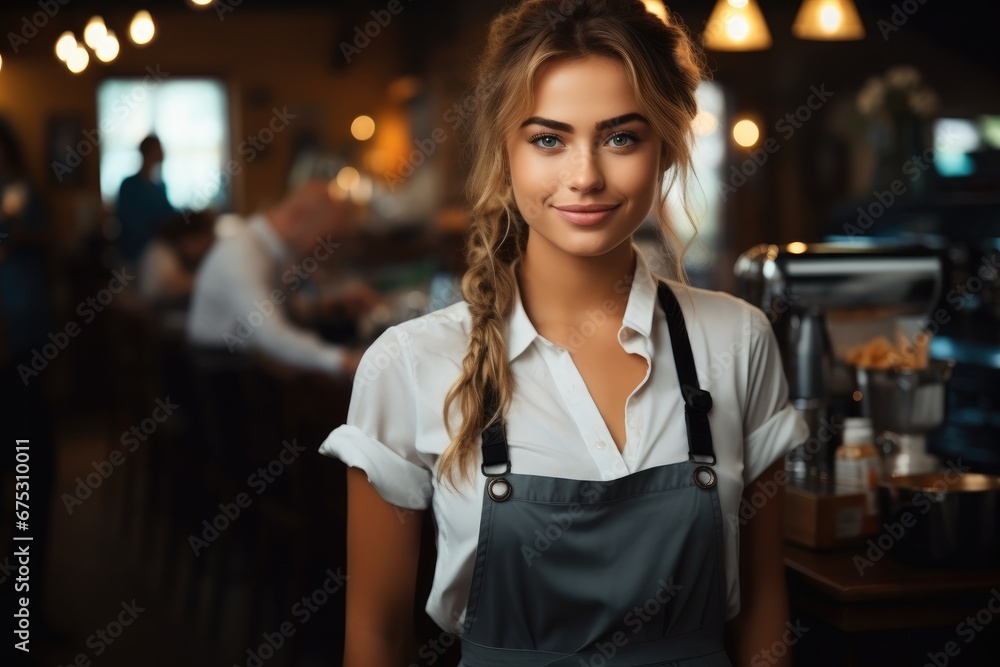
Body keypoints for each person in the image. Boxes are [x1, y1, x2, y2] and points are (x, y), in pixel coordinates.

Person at [320, 2, 809, 666]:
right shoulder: (408, 364)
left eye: (621, 137)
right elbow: (376, 639)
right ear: (504, 150)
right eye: (548, 139)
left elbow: (762, 615)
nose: (585, 176)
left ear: (665, 146)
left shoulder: (739, 341)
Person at [186, 181, 374, 375]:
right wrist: (350, 361)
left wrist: (333, 305)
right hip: (225, 374)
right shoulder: (241, 254)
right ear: (297, 218)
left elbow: (288, 309)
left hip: (249, 364)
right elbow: (272, 336)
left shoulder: (280, 252)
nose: (327, 250)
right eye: (325, 238)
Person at [116, 135, 177, 264]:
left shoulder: (160, 187)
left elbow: (171, 216)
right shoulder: (129, 186)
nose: (162, 152)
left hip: (157, 251)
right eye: (158, 148)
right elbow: (130, 223)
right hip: (135, 254)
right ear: (148, 152)